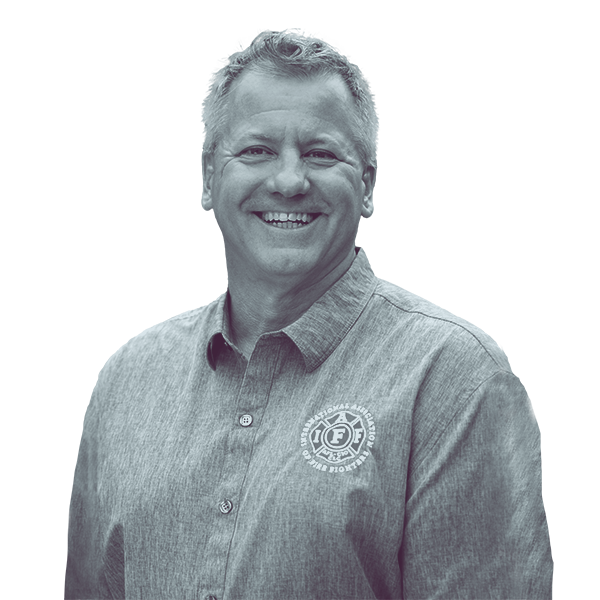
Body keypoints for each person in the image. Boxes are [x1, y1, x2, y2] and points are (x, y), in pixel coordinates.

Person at [65, 32, 553, 600]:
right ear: (208, 177)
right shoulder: (129, 381)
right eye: (256, 151)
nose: (289, 180)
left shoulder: (452, 379)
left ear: (366, 185)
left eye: (321, 153)